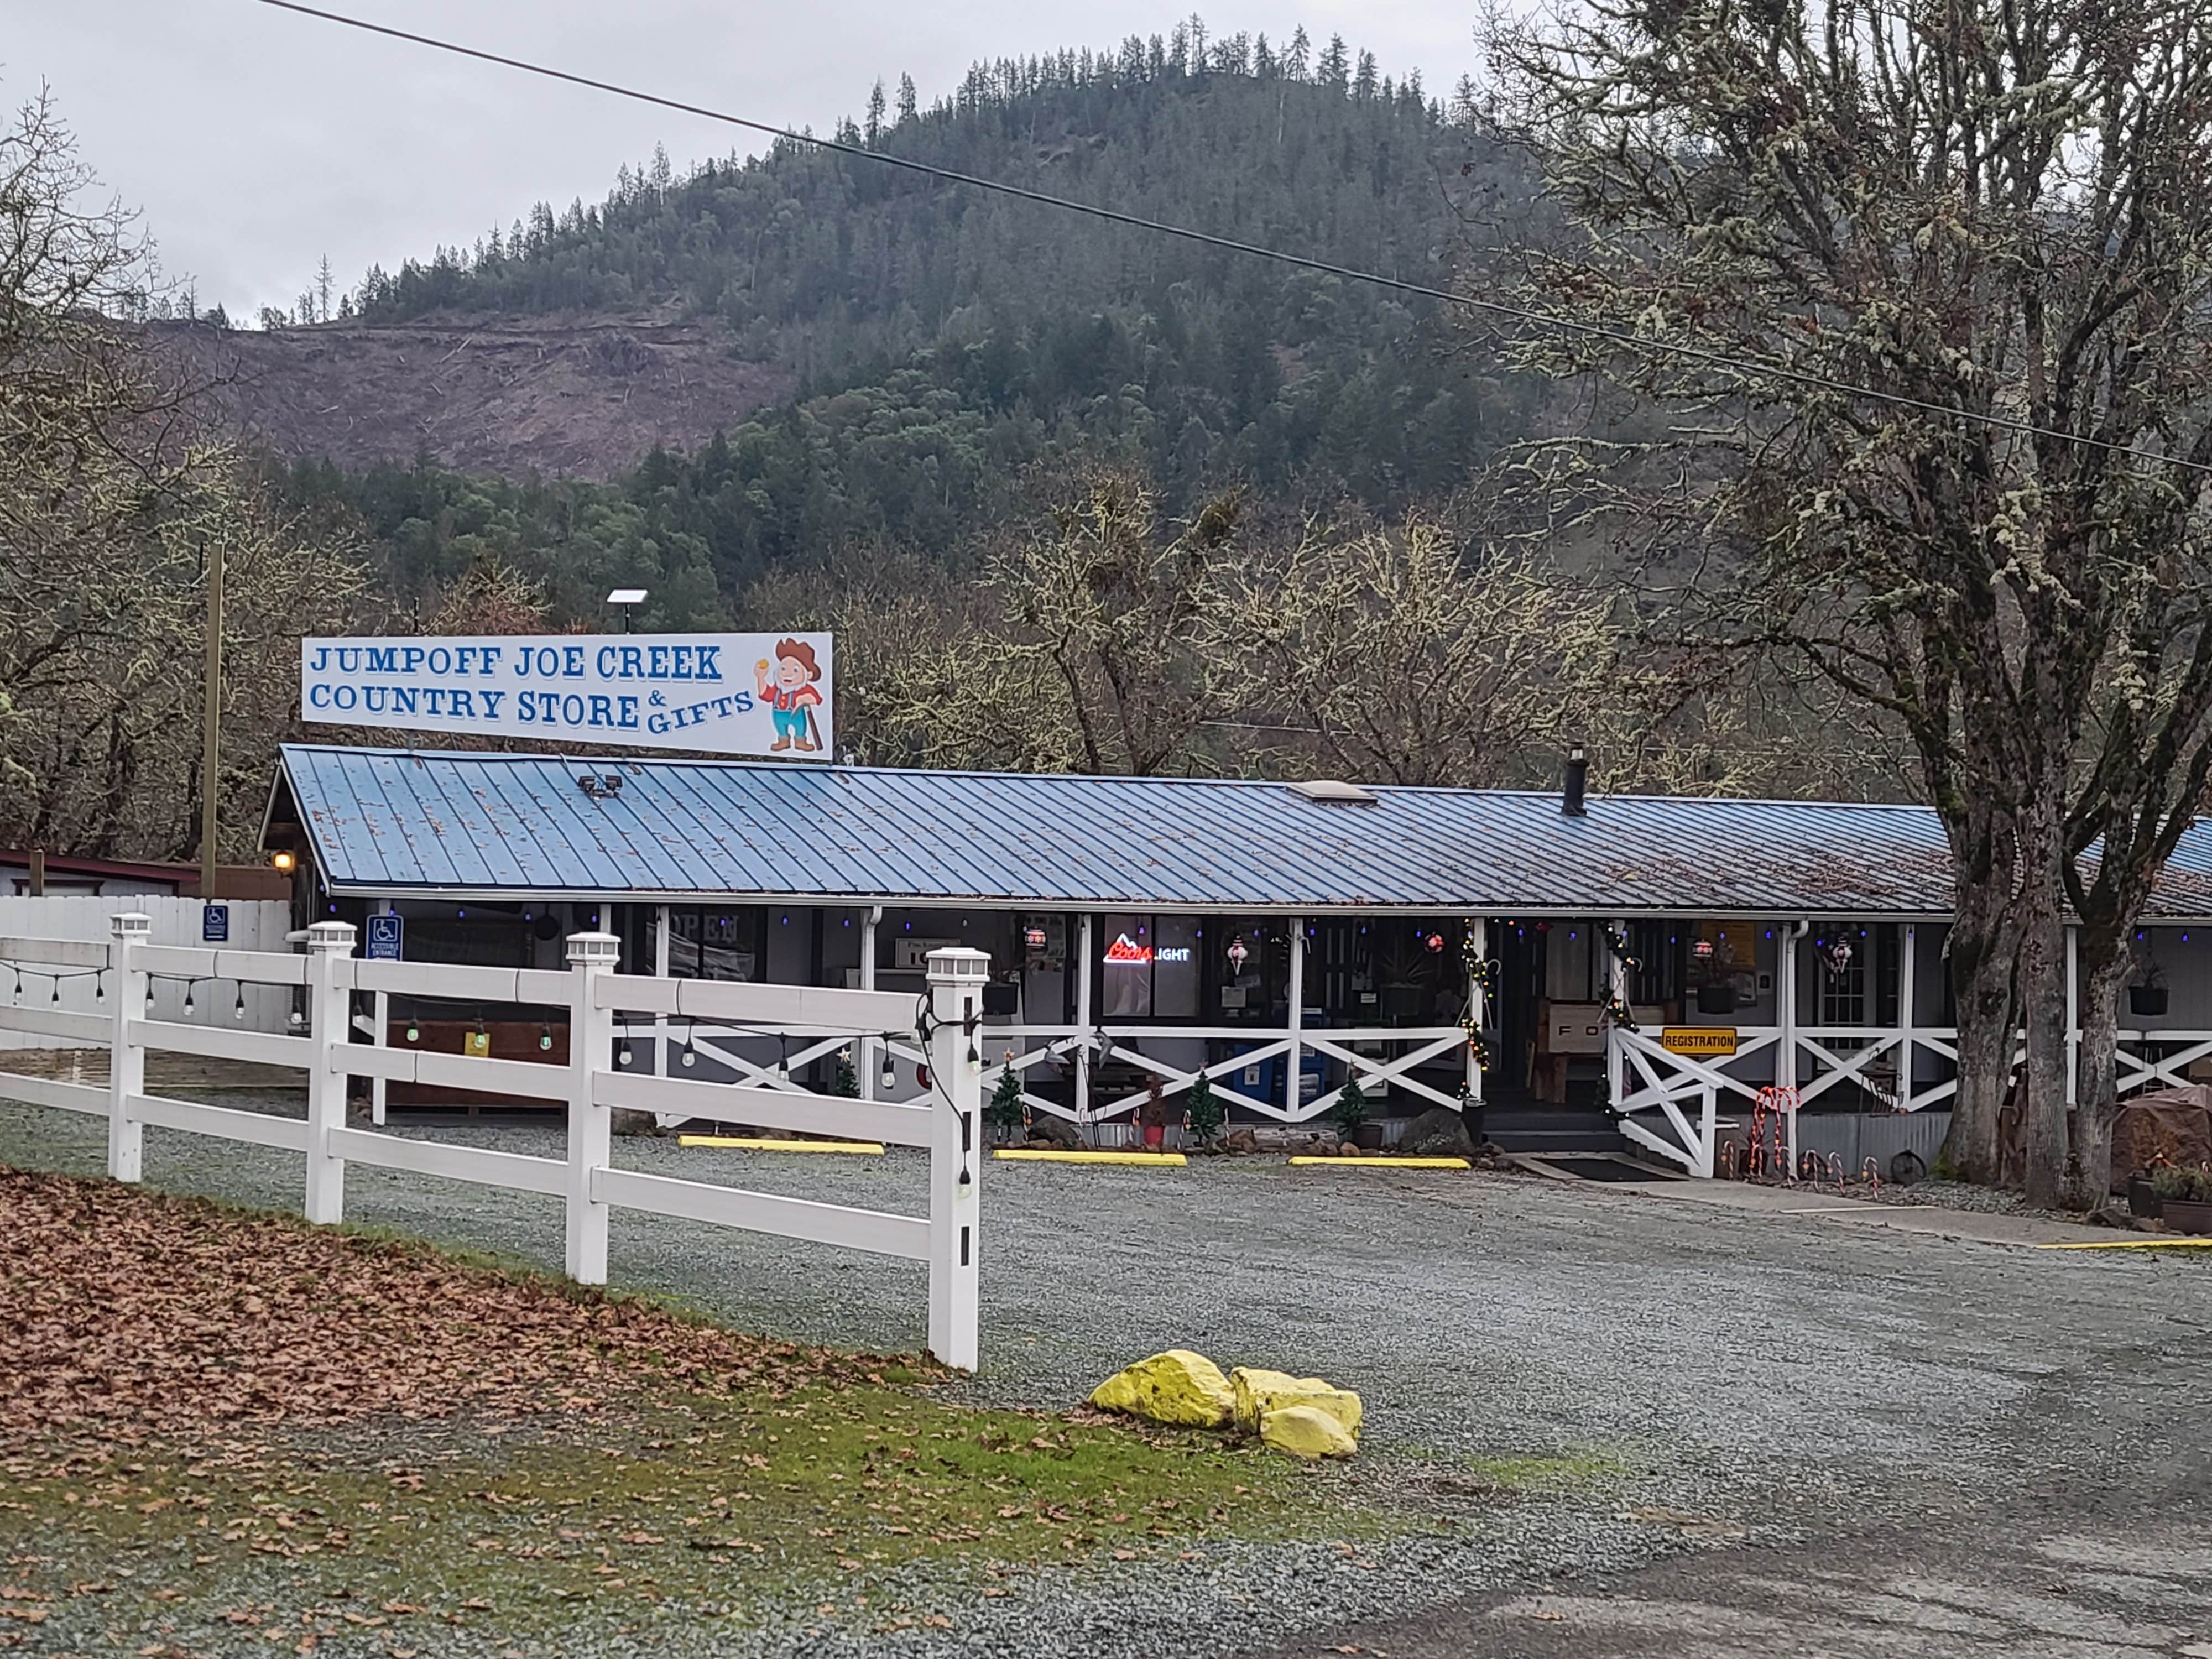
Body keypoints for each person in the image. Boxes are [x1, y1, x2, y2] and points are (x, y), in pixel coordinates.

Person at [756, 638, 825, 753]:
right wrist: (761, 677)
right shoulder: (777, 689)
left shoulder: (803, 689)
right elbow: (765, 694)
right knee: (780, 727)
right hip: (778, 714)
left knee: (800, 728)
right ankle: (783, 741)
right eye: (783, 669)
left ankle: (800, 741)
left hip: (797, 715)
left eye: (795, 670)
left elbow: (816, 699)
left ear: (808, 674)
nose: (788, 674)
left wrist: (804, 699)